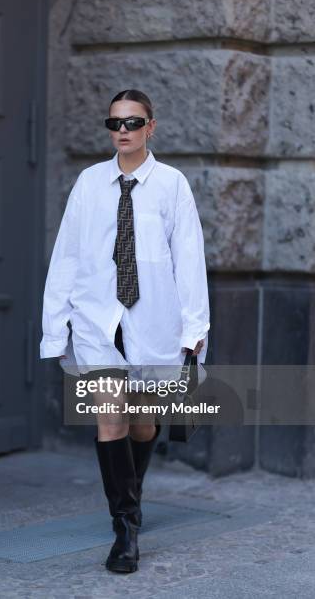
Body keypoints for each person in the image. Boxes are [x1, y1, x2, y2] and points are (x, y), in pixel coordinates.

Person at [40, 89, 210, 573]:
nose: (123, 131)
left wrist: (195, 326)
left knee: (142, 424)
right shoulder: (89, 183)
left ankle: (130, 498)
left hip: (154, 321)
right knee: (111, 418)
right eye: (114, 123)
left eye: (133, 123)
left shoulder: (172, 185)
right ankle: (126, 527)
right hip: (97, 323)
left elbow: (190, 258)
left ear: (151, 127)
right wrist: (56, 328)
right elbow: (66, 257)